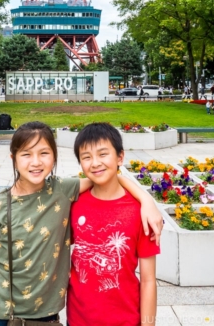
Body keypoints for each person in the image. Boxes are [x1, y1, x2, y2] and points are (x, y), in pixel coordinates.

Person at [0, 122, 163, 326]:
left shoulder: (63, 192)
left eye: (44, 153)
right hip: (12, 314)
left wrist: (146, 200)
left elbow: (106, 177)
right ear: (14, 159)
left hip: (59, 316)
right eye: (26, 154)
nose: (35, 162)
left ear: (54, 156)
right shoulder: (5, 203)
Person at [67, 123, 159, 326]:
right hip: (78, 319)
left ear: (120, 157)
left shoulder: (142, 213)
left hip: (125, 320)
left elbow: (148, 280)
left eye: (103, 154)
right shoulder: (73, 204)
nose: (95, 163)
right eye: (86, 157)